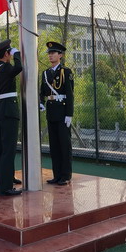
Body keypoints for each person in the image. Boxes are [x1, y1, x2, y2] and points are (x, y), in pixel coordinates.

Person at [0, 40, 23, 196]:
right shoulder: (6, 68)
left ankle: (0, 184)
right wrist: (17, 54)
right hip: (8, 111)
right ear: (6, 53)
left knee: (0, 151)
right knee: (8, 151)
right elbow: (19, 67)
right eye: (9, 52)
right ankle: (6, 187)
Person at [39, 42, 74, 186]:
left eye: (53, 53)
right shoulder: (45, 73)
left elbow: (70, 94)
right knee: (54, 145)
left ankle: (65, 176)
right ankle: (57, 175)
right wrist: (41, 102)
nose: (50, 55)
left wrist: (69, 114)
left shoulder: (66, 72)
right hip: (51, 111)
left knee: (64, 145)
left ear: (60, 55)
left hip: (62, 111)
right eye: (49, 53)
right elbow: (42, 91)